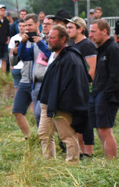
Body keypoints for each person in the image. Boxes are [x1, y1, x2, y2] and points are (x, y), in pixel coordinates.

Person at [37, 24, 90, 163]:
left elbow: (74, 85)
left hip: (61, 104)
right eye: (48, 37)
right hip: (48, 101)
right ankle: (49, 162)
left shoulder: (71, 58)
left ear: (63, 39)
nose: (48, 40)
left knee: (66, 135)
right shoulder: (54, 55)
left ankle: (73, 163)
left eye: (52, 38)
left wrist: (63, 104)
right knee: (44, 134)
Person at [12, 15, 48, 137]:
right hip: (27, 80)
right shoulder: (23, 39)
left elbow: (50, 56)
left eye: (29, 25)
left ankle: (48, 139)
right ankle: (31, 138)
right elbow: (23, 57)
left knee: (40, 114)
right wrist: (22, 43)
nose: (27, 28)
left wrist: (40, 42)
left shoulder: (44, 39)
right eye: (25, 25)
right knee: (18, 111)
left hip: (42, 81)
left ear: (37, 24)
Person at [67, 16, 97, 157]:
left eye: (71, 28)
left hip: (85, 90)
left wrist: (84, 85)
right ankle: (80, 151)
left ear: (81, 29)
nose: (68, 30)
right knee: (77, 121)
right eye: (67, 28)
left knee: (86, 121)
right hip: (75, 89)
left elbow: (93, 68)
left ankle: (88, 153)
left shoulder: (87, 45)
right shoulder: (73, 45)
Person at [89, 19, 119, 160]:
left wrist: (105, 95)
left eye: (93, 31)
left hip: (107, 95)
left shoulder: (113, 49)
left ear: (105, 31)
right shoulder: (101, 49)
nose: (90, 35)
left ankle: (112, 164)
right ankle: (108, 161)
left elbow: (116, 76)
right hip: (97, 93)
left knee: (105, 130)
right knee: (100, 130)